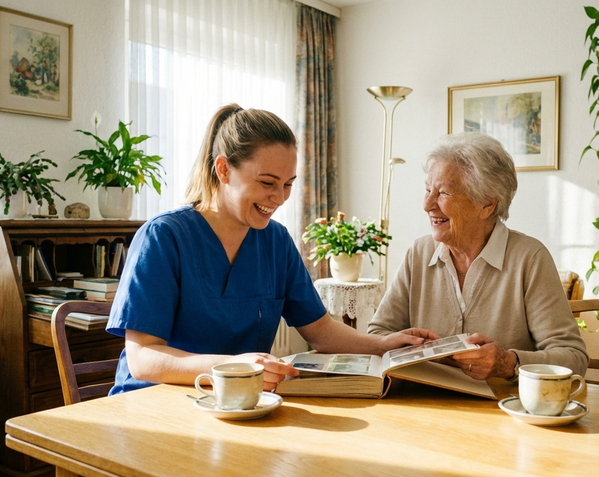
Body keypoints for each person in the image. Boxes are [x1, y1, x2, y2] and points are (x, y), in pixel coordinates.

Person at [107, 104, 434, 395]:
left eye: (288, 184)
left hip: (237, 402)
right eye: (267, 183)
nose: (279, 198)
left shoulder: (275, 241)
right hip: (152, 403)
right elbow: (143, 358)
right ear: (223, 170)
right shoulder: (164, 237)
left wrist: (383, 345)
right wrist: (234, 367)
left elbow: (319, 331)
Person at [368, 132, 588, 381]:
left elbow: (573, 357)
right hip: (424, 404)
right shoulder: (418, 254)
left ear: (487, 204)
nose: (427, 204)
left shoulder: (529, 258)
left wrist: (509, 363)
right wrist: (409, 346)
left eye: (443, 193)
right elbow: (378, 333)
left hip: (501, 411)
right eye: (428, 190)